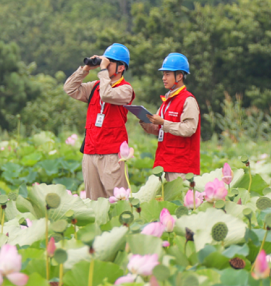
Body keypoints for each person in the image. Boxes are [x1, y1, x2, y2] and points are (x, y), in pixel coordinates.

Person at [64, 43, 135, 200]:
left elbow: (106, 94)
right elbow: (69, 88)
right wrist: (86, 69)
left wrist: (103, 71)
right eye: (105, 61)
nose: (105, 64)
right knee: (93, 201)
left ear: (121, 68)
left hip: (111, 154)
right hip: (90, 152)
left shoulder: (126, 89)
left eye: (110, 62)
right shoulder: (94, 87)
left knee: (117, 200)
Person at [140, 53, 200, 181]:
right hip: (164, 163)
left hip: (181, 166)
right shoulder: (167, 101)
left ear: (179, 76)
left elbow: (189, 129)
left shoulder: (188, 100)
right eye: (163, 74)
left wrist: (163, 122)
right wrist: (145, 122)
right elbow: (158, 129)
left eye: (167, 74)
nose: (163, 78)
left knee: (179, 200)